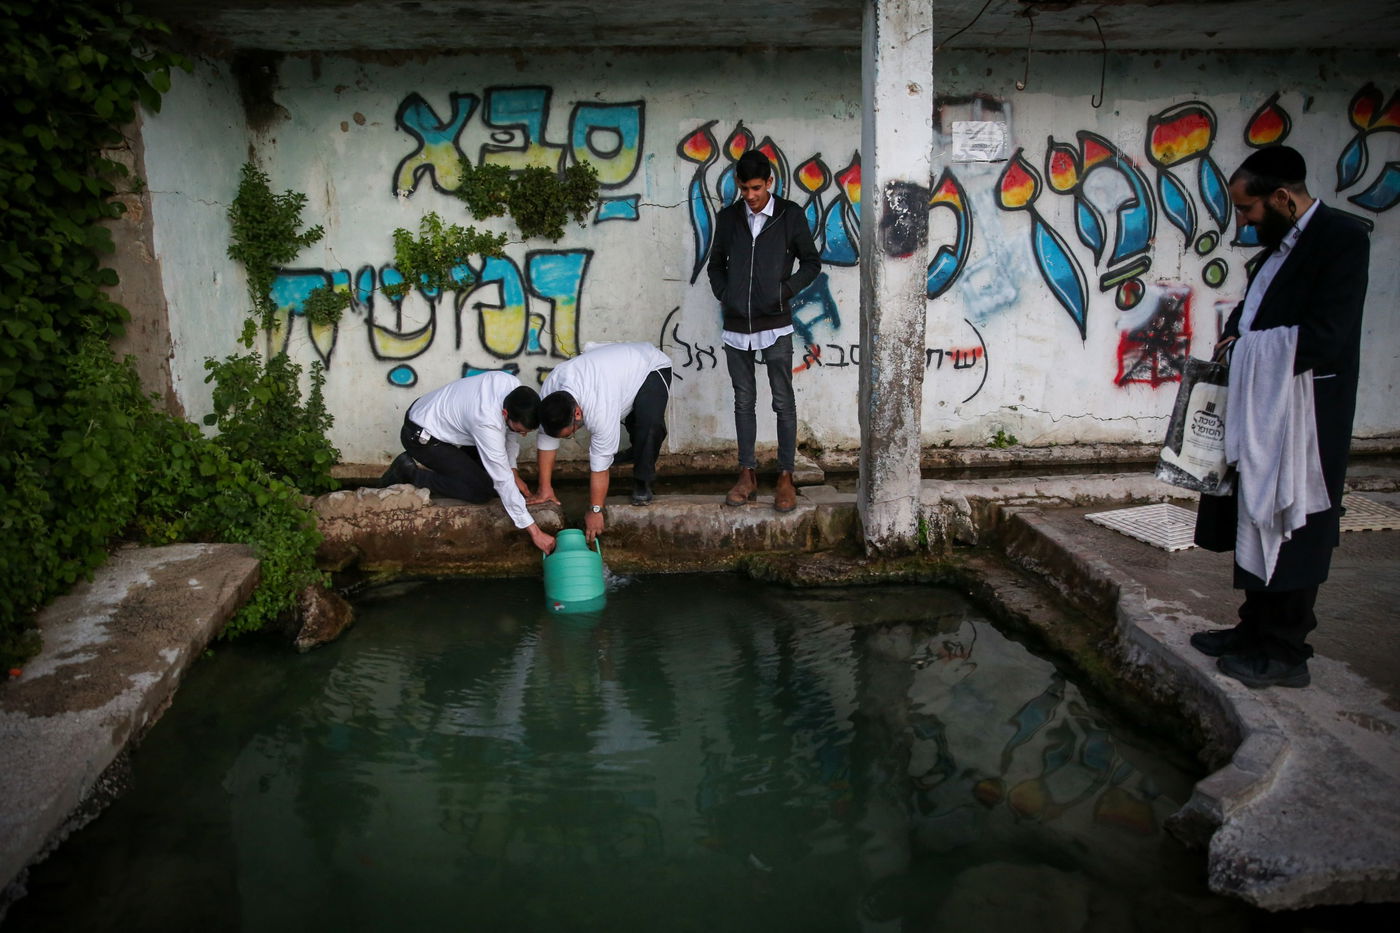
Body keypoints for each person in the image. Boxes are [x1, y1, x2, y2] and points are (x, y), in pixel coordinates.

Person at [1191, 145, 1370, 689]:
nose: (1243, 222)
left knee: (1297, 522)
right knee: (1256, 512)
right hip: (1263, 405)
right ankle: (1253, 629)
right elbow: (1258, 314)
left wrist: (1249, 351)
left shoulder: (1341, 240)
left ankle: (1287, 650)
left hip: (1305, 414)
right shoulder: (1275, 250)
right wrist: (1234, 338)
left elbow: (1326, 336)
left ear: (1282, 198)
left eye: (1248, 210)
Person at [706, 149, 821, 512]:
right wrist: (727, 295)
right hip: (737, 327)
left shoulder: (790, 215)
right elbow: (715, 266)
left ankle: (785, 476)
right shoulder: (728, 219)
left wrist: (782, 291)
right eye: (744, 188)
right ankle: (747, 474)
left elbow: (812, 263)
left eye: (756, 187)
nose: (750, 195)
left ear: (770, 182)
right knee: (744, 402)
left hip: (776, 324)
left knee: (783, 401)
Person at [381, 370, 556, 554]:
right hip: (419, 436)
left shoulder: (511, 386)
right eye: (521, 430)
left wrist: (514, 472)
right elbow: (502, 478)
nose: (523, 435)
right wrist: (535, 532)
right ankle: (411, 473)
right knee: (481, 490)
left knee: (491, 471)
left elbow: (509, 437)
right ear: (505, 413)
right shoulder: (486, 421)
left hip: (431, 414)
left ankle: (453, 471)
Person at [530, 341, 673, 543]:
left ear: (578, 413)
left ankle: (643, 480)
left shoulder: (600, 410)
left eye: (568, 434)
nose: (568, 437)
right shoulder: (551, 393)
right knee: (638, 423)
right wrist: (544, 488)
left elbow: (600, 466)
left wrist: (596, 510)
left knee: (649, 426)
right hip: (616, 374)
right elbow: (546, 440)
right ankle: (638, 448)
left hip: (650, 367)